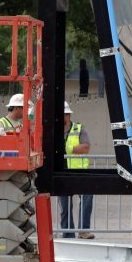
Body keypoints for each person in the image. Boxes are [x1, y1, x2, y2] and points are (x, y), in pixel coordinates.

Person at [58, 101, 94, 239]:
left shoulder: (79, 128)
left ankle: (83, 230)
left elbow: (85, 148)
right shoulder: (54, 130)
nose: (65, 117)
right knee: (65, 205)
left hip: (79, 171)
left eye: (67, 114)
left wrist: (65, 150)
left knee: (87, 198)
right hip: (62, 170)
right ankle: (68, 232)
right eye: (63, 114)